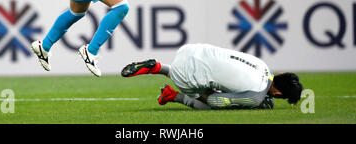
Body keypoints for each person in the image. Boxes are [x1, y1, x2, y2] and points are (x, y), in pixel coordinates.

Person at [121, 43, 303, 110]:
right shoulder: (255, 96)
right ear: (279, 94)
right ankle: (173, 94)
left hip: (191, 49)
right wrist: (248, 105)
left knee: (210, 78)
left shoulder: (262, 64)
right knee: (211, 105)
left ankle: (160, 70)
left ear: (279, 74)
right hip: (188, 75)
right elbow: (216, 101)